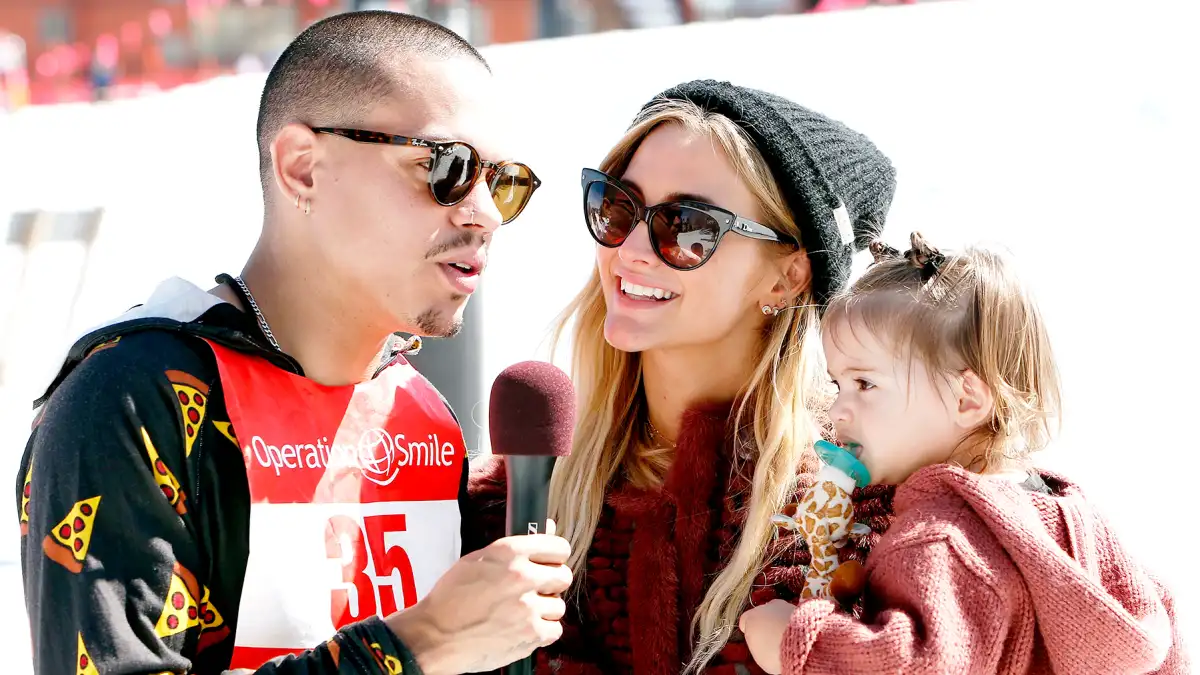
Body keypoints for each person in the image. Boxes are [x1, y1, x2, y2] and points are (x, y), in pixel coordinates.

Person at [16, 11, 572, 675]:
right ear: (303, 167)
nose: (483, 212)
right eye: (446, 167)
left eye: (502, 182)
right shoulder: (135, 396)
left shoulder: (421, 411)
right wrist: (414, 644)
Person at [465, 80, 899, 674]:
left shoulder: (868, 516)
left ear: (788, 277)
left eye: (686, 225)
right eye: (617, 207)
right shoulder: (508, 500)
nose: (633, 249)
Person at [739, 233, 1190, 674]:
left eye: (865, 384)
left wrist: (796, 641)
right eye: (838, 385)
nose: (837, 410)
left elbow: (913, 665)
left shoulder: (939, 537)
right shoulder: (1070, 515)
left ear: (967, 400)